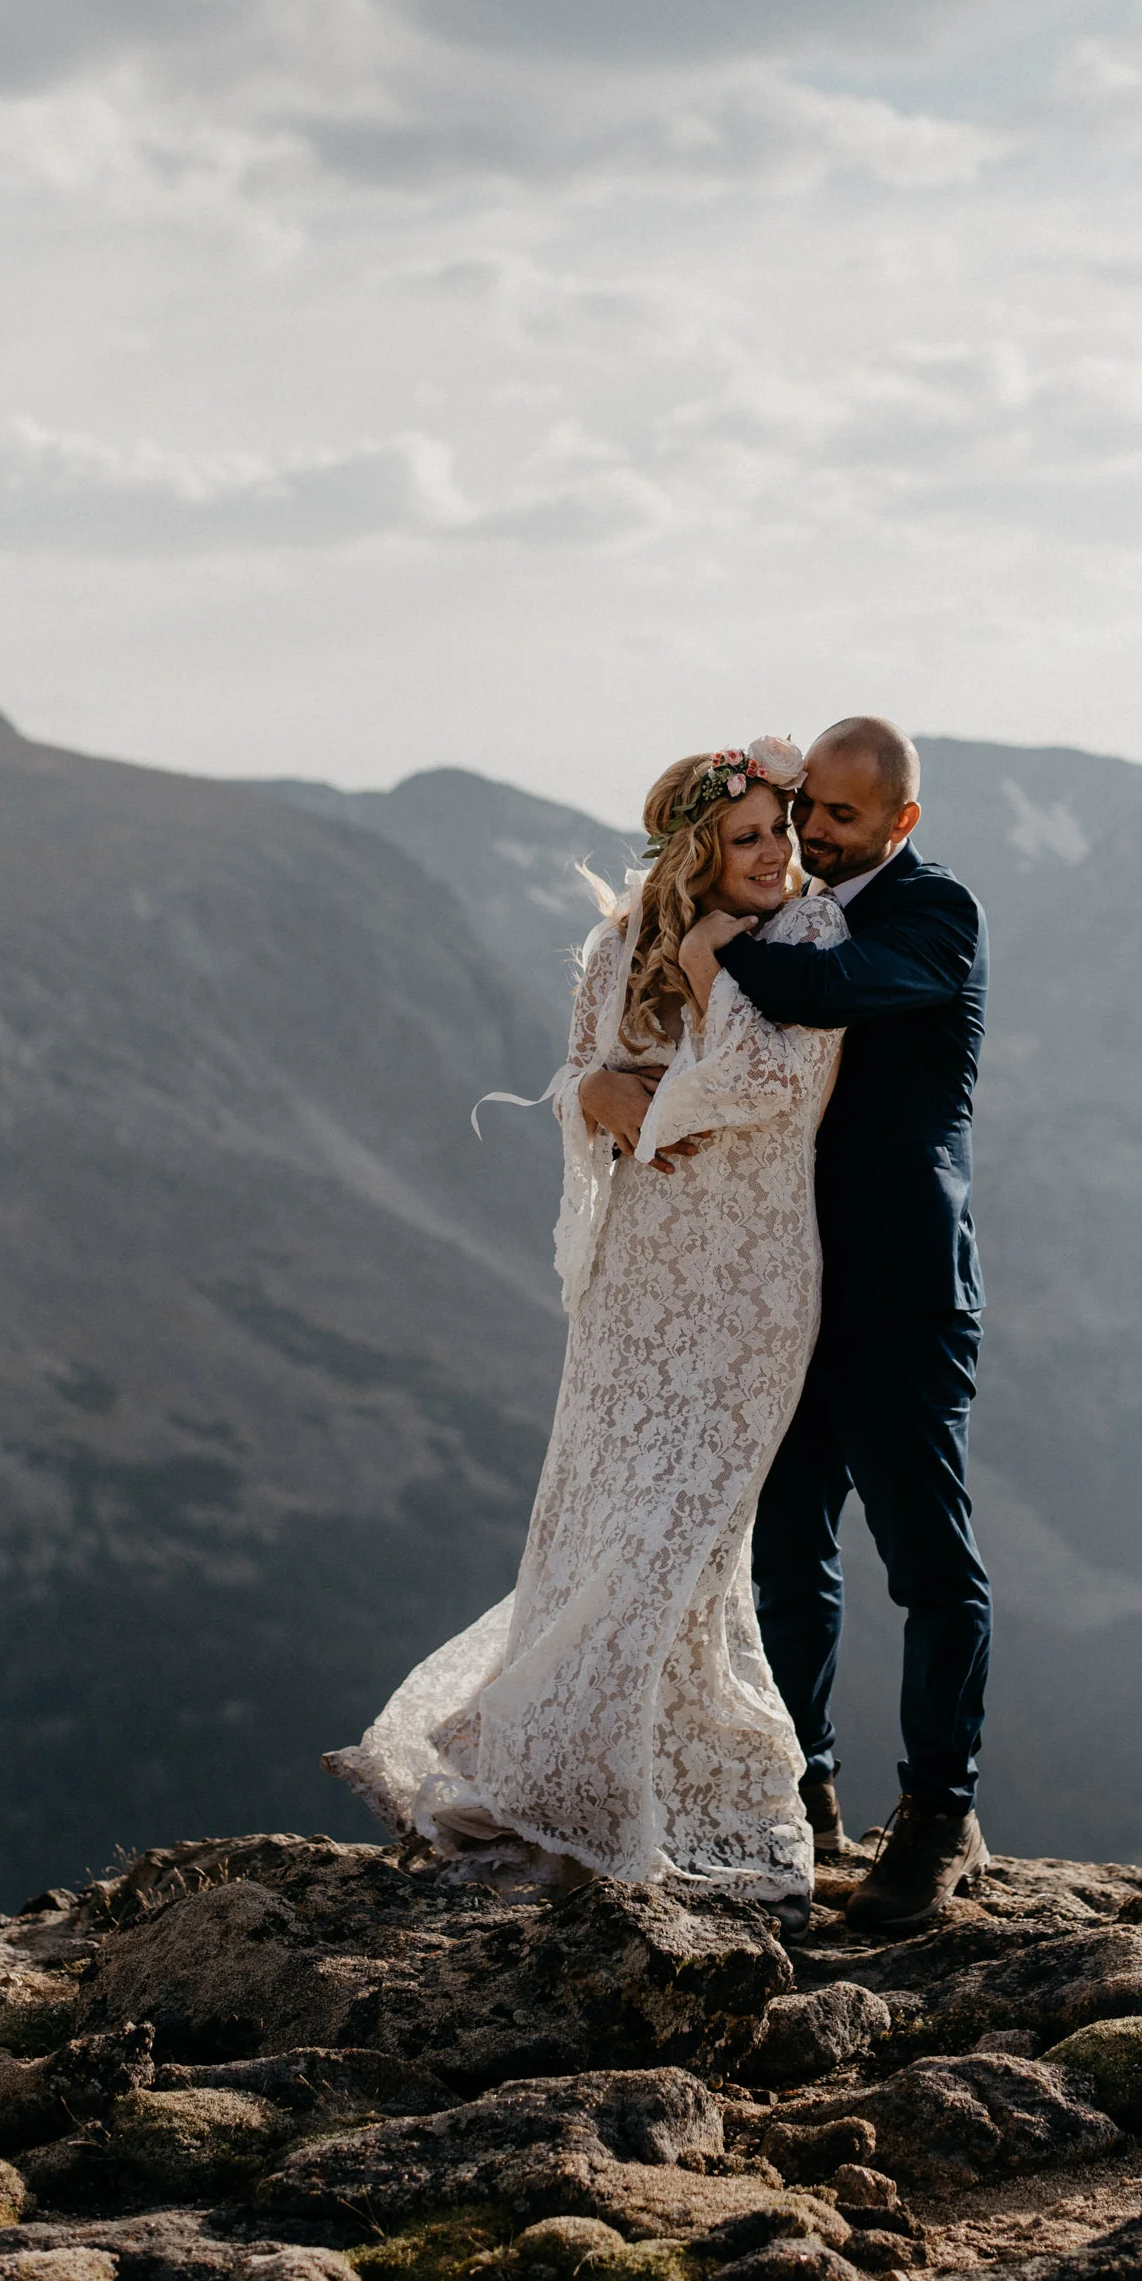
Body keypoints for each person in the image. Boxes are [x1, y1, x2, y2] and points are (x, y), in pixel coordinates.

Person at [325, 737, 848, 1938]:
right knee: (600, 1522)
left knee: (681, 1542)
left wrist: (714, 968)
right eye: (749, 836)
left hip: (752, 1282)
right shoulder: (619, 944)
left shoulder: (807, 938)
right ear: (694, 849)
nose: (777, 854)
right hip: (638, 1285)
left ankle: (633, 1796)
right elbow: (578, 1074)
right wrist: (594, 1097)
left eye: (782, 831)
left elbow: (769, 1085)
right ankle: (586, 1789)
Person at [680, 716, 991, 1934]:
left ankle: (936, 1817)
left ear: (899, 821)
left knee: (927, 1564)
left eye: (840, 819)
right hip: (784, 1286)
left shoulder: (933, 912)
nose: (811, 834)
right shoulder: (778, 906)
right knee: (788, 1552)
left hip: (904, 1287)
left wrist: (724, 948)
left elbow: (833, 993)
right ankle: (799, 1788)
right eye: (806, 810)